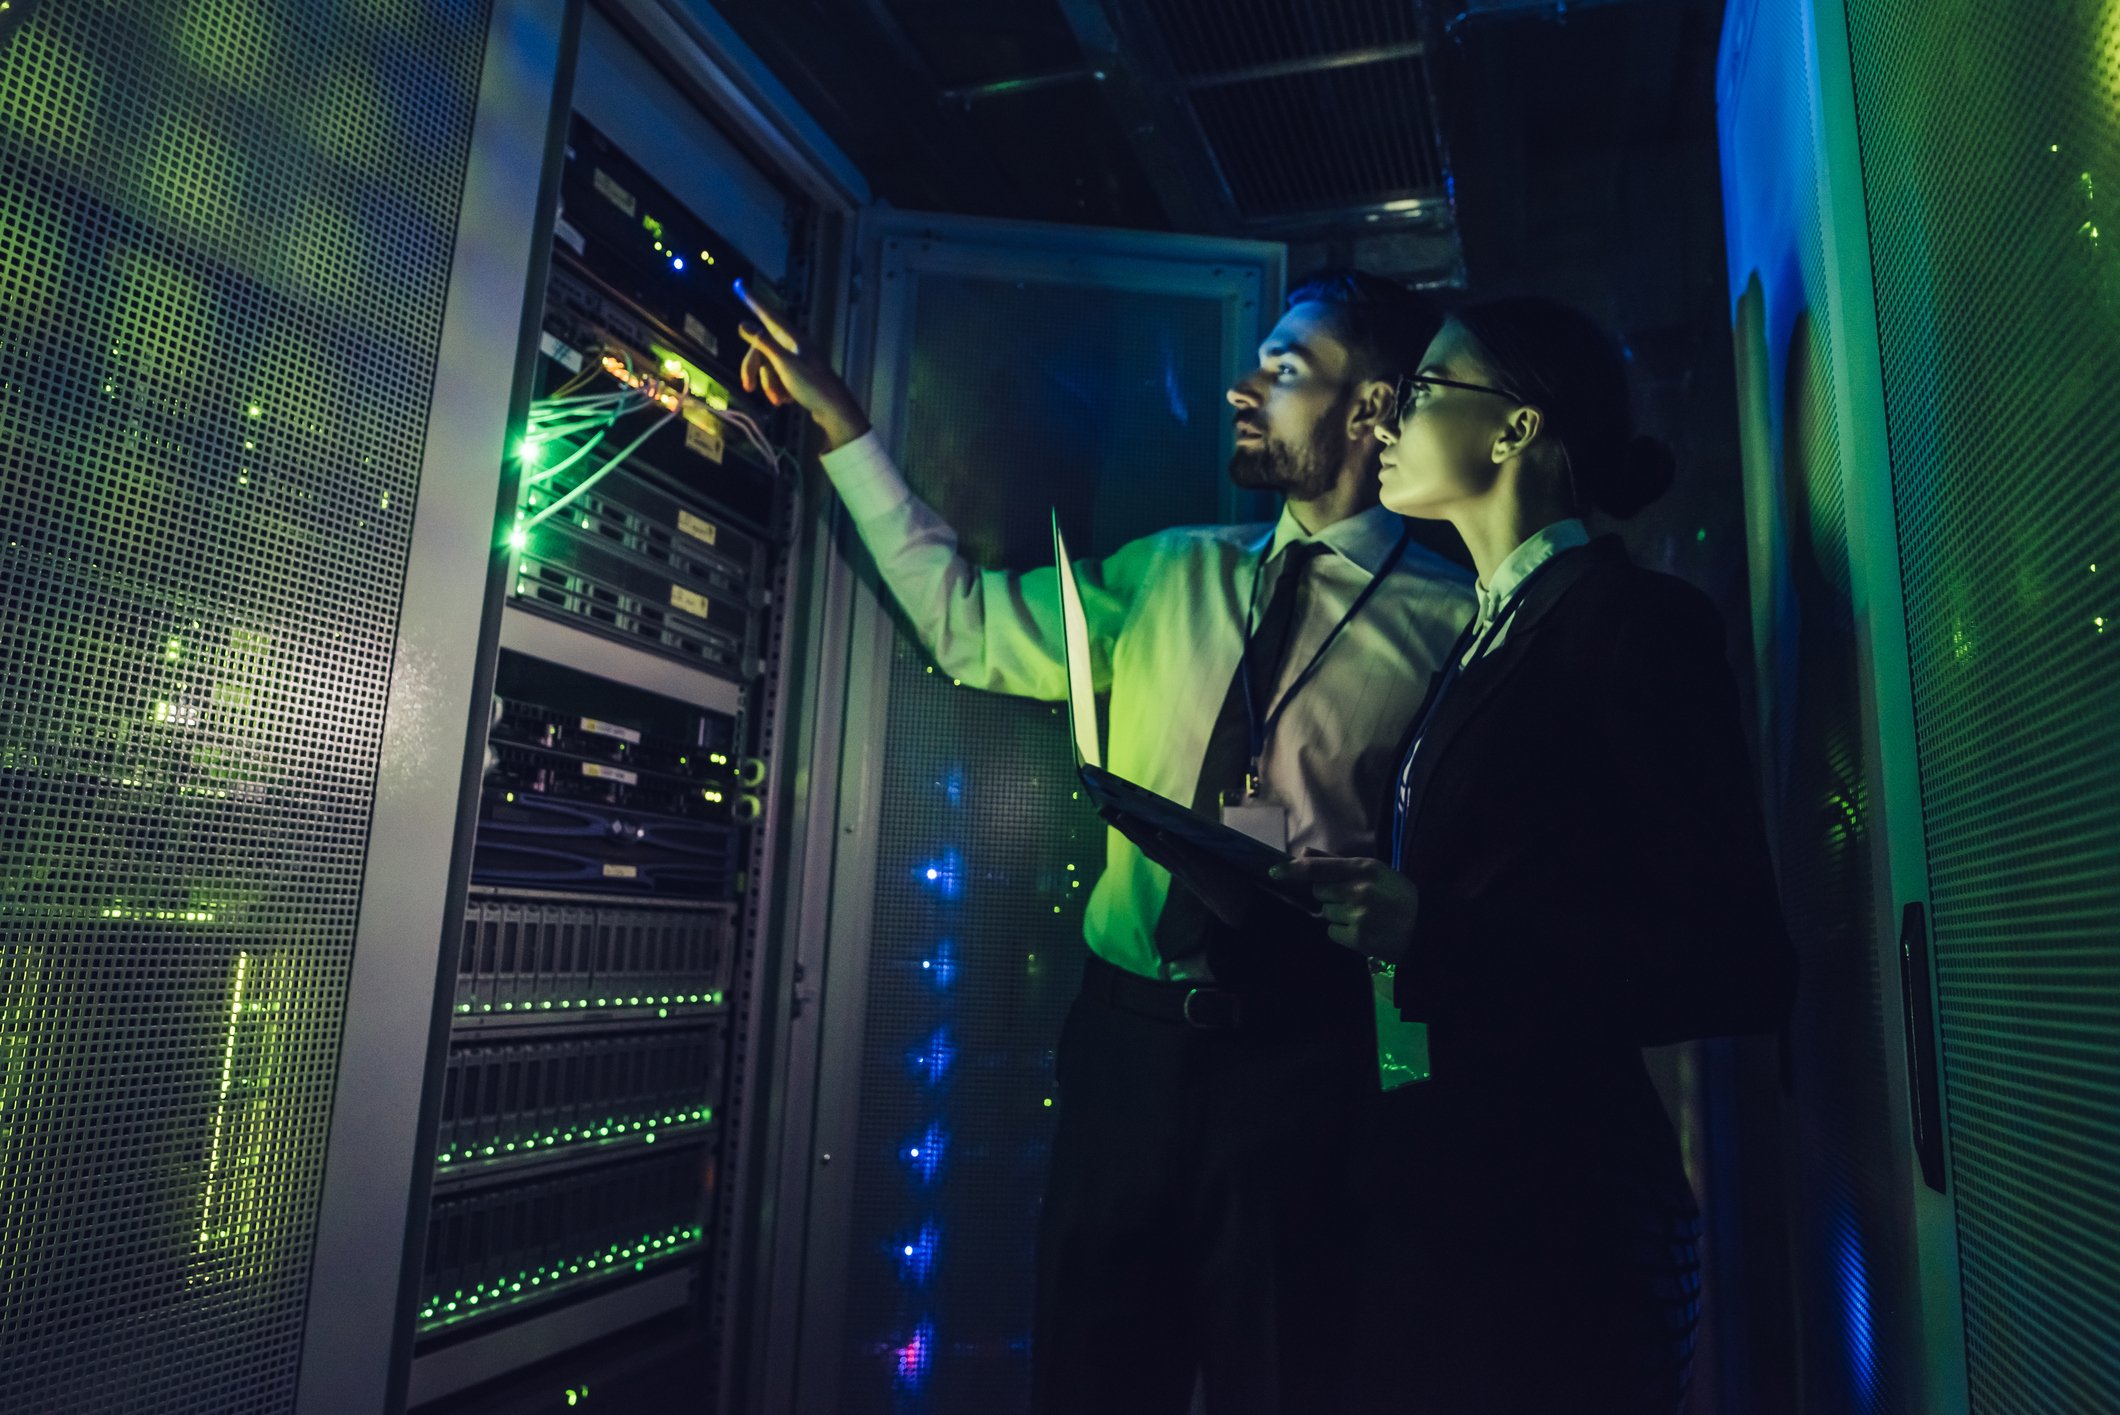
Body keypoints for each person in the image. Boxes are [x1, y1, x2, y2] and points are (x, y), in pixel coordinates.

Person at [735, 272, 1475, 1414]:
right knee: (1089, 1376)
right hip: (1121, 1052)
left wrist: (1407, 1089)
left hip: (1304, 1063)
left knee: (1284, 1378)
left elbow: (1458, 880)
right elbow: (969, 626)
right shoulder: (1171, 567)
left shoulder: (1451, 625)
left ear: (1373, 406)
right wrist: (844, 431)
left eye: (1284, 367)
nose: (1243, 384)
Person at [1274, 297, 1799, 1415]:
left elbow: (1738, 959)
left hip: (1559, 1222)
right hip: (1440, 1201)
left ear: (1513, 428)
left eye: (1419, 394)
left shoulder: (1630, 620)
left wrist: (1431, 931)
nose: (1388, 418)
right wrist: (1389, 1089)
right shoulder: (1480, 634)